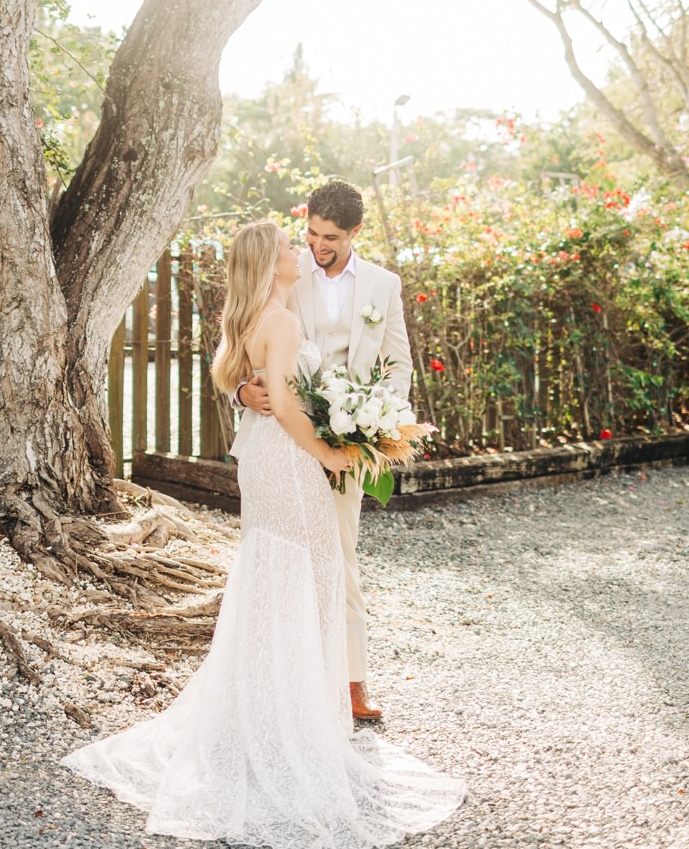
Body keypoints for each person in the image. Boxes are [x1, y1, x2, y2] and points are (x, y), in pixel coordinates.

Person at [62, 221, 463, 847]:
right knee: (314, 573)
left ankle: (273, 711)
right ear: (269, 262)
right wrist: (329, 457)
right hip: (288, 460)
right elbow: (282, 399)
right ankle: (290, 725)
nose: (299, 253)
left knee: (278, 577)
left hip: (268, 461)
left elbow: (266, 384)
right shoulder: (281, 320)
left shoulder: (256, 315)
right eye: (288, 248)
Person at [234, 179, 410, 723]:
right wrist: (243, 390)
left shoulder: (384, 285)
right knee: (283, 561)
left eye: (330, 237)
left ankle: (351, 681)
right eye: (309, 233)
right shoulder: (284, 276)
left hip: (349, 445)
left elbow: (398, 363)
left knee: (341, 557)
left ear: (356, 232)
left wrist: (378, 424)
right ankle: (286, 682)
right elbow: (244, 344)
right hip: (287, 444)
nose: (316, 245)